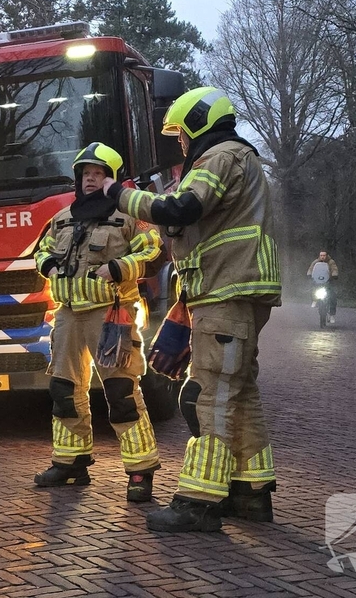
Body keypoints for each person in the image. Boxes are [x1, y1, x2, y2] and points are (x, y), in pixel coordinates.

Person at [102, 87, 282, 532]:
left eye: (181, 135)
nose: (181, 144)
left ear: (199, 123)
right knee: (240, 394)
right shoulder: (239, 159)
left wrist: (120, 195)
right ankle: (250, 491)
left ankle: (198, 501)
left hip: (225, 292)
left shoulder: (220, 156)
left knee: (208, 396)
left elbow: (182, 207)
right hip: (233, 292)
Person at [33, 142, 164, 503]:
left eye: (98, 174)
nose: (90, 179)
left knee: (121, 392)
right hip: (67, 315)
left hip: (111, 314)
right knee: (63, 390)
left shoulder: (130, 216)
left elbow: (154, 250)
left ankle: (140, 470)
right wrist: (48, 265)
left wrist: (120, 267)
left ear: (111, 178)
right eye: (86, 174)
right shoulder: (63, 217)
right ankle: (70, 462)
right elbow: (41, 250)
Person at [307, 251, 339, 324]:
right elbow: (311, 268)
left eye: (324, 255)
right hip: (318, 282)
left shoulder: (331, 262)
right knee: (313, 289)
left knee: (332, 296)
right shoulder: (316, 262)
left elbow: (334, 269)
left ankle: (332, 315)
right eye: (321, 255)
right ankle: (314, 300)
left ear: (327, 256)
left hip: (328, 282)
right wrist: (309, 274)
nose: (322, 257)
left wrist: (334, 275)